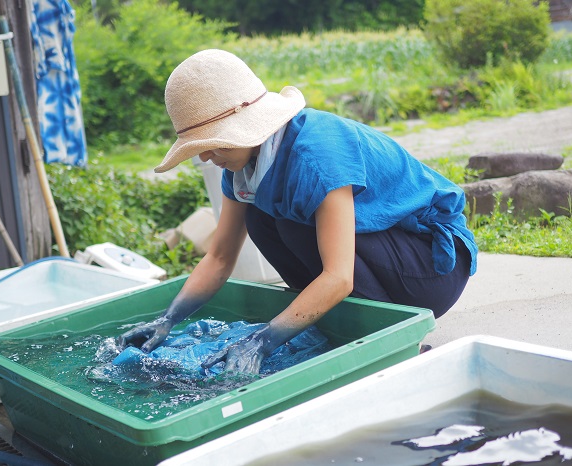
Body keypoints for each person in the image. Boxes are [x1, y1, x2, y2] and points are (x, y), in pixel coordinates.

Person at [117, 49, 478, 374]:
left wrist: (263, 339)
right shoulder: (242, 170)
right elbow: (219, 256)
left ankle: (397, 341)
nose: (205, 157)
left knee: (292, 224)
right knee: (262, 217)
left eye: (211, 143)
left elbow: (339, 277)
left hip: (431, 268)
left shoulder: (315, 156)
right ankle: (331, 322)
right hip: (385, 257)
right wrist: (167, 320)